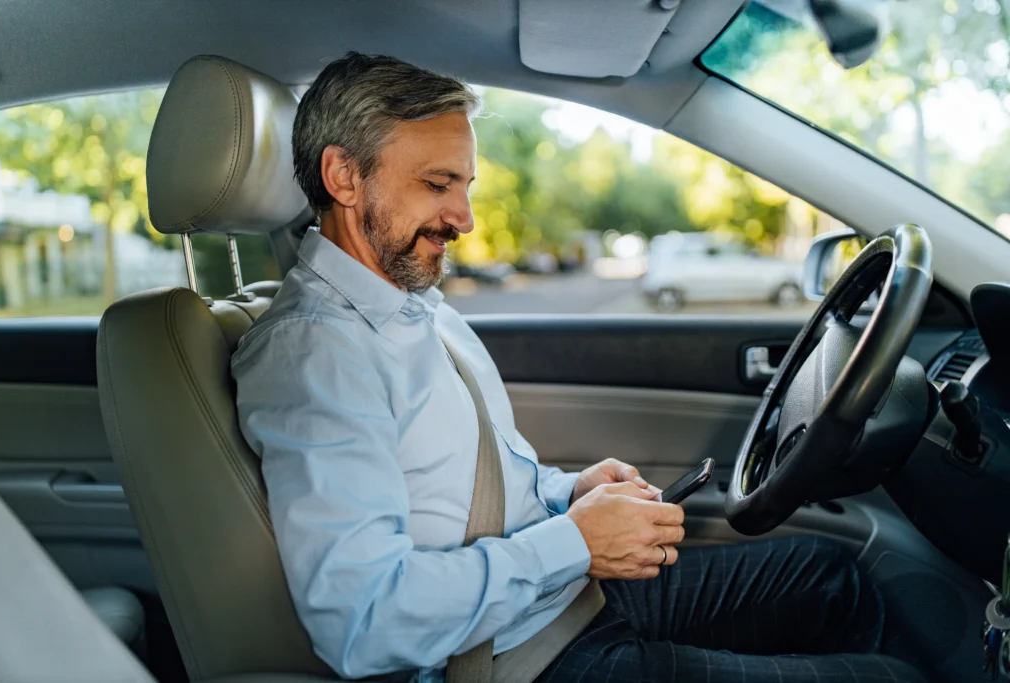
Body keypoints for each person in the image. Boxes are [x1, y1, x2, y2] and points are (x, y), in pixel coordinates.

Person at [232, 52, 925, 683]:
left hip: (565, 596)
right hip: (516, 658)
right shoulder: (315, 355)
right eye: (438, 183)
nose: (465, 217)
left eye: (465, 185)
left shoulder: (407, 299)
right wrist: (573, 541)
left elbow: (451, 492)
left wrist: (570, 495)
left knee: (833, 577)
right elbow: (363, 620)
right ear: (343, 177)